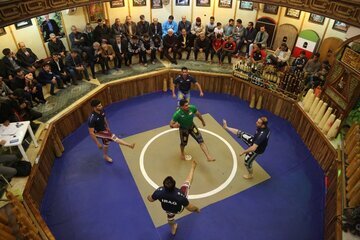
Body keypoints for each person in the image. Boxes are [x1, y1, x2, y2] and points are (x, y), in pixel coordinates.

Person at [147, 160, 200, 236]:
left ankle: (173, 228)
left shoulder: (159, 192)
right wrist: (197, 209)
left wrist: (148, 196)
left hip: (167, 208)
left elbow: (150, 199)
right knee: (187, 182)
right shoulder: (180, 196)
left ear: (164, 185)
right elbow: (190, 207)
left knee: (170, 219)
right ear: (174, 184)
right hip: (178, 209)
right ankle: (192, 168)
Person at [88, 99, 135, 163]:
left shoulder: (102, 111)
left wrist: (107, 127)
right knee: (113, 137)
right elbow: (91, 132)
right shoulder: (92, 118)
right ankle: (129, 145)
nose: (101, 106)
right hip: (97, 132)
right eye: (99, 106)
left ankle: (105, 156)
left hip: (104, 130)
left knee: (106, 144)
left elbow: (104, 119)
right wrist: (97, 143)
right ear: (94, 107)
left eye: (101, 105)